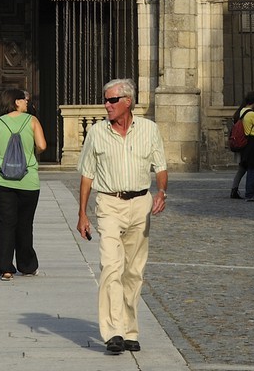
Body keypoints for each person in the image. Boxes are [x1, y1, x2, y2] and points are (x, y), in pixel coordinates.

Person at [77, 77, 167, 356]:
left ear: (128, 102)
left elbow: (160, 166)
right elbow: (87, 174)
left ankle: (130, 330)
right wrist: (82, 213)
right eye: (105, 99)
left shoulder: (150, 130)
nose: (107, 105)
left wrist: (162, 191)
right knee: (111, 266)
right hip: (109, 204)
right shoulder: (96, 133)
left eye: (112, 100)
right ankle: (113, 332)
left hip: (141, 202)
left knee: (134, 271)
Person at [0, 86, 47, 278]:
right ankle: (27, 265)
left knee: (5, 224)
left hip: (2, 181)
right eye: (24, 99)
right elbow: (42, 146)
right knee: (25, 224)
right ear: (16, 102)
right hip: (28, 181)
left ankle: (5, 268)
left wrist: (5, 156)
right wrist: (27, 154)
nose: (27, 101)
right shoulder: (32, 121)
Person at [230, 90, 254, 202]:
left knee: (253, 168)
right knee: (253, 169)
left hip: (246, 143)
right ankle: (250, 194)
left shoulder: (242, 111)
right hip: (253, 141)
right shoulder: (251, 114)